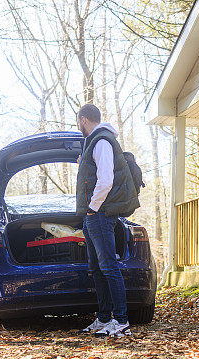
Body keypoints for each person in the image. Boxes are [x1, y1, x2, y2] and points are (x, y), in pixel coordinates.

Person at [76, 104, 140, 337]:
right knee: (97, 268)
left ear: (83, 120)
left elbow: (106, 180)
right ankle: (103, 318)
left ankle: (121, 320)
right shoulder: (93, 142)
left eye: (78, 122)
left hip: (100, 214)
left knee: (109, 267)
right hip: (93, 215)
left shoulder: (102, 141)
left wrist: (92, 209)